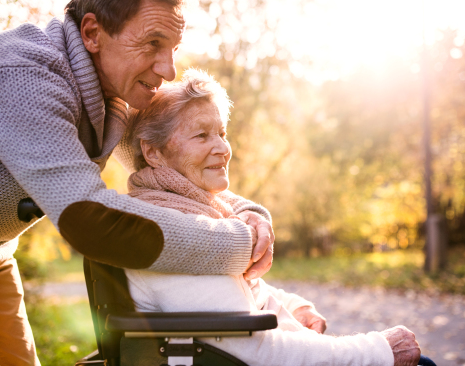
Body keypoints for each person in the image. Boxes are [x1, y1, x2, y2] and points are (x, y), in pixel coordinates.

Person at [0, 0, 273, 365]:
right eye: (152, 43)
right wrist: (238, 243)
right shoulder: (25, 78)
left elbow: (170, 167)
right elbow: (90, 219)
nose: (168, 70)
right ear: (92, 33)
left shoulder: (113, 88)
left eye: (173, 48)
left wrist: (247, 214)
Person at [124, 69, 422, 366]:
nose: (223, 149)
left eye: (222, 134)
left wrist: (292, 307)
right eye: (202, 135)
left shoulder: (191, 212)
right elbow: (260, 353)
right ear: (153, 152)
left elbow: (229, 296)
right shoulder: (168, 230)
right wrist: (378, 351)